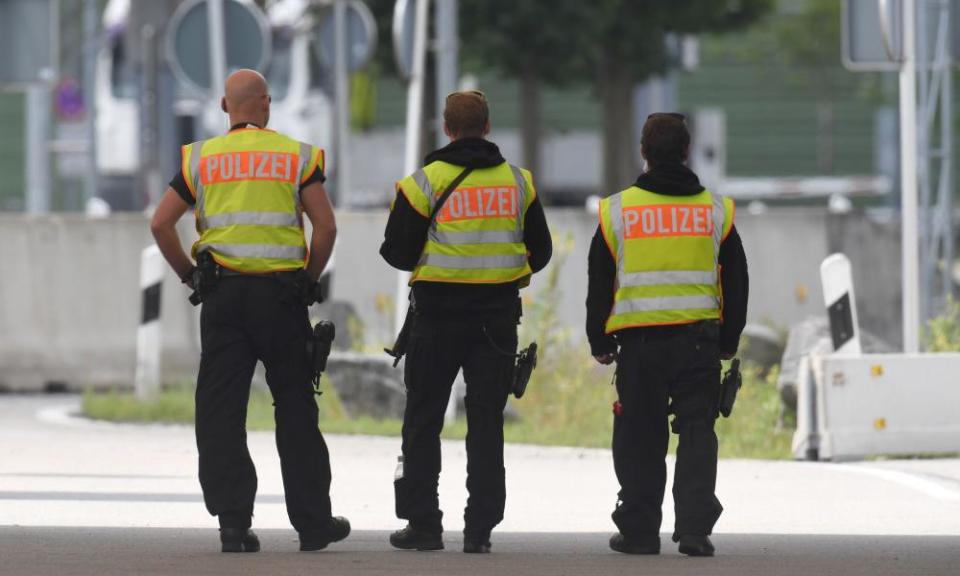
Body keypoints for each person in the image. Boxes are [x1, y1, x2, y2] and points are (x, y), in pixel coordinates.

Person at [150, 69, 349, 553]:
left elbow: (160, 224)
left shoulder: (200, 159)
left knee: (220, 411)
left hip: (223, 299)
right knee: (296, 408)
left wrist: (189, 276)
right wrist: (308, 279)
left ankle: (234, 524)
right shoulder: (295, 157)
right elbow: (325, 228)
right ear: (267, 104)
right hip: (281, 299)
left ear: (224, 106)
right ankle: (313, 525)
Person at [380, 90, 552, 553]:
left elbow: (396, 252)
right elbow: (542, 251)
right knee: (486, 421)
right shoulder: (519, 183)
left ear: (447, 128)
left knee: (423, 419)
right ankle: (479, 529)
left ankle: (424, 525)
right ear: (488, 126)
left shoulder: (424, 184)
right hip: (496, 319)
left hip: (436, 317)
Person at [586, 112, 748, 557]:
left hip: (639, 345)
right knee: (697, 432)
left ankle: (639, 532)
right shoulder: (716, 212)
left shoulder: (617, 211)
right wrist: (728, 338)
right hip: (697, 342)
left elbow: (599, 281)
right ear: (686, 151)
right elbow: (736, 280)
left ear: (644, 154)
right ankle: (695, 531)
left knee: (639, 435)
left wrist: (598, 340)